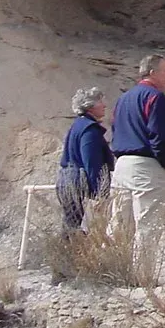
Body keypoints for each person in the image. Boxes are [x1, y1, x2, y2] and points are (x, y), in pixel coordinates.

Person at [109, 54, 165, 261]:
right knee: (147, 223)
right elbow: (159, 136)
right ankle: (142, 276)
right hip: (144, 165)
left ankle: (114, 269)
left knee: (119, 222)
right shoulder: (155, 98)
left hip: (121, 165)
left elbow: (115, 129)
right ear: (153, 72)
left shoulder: (123, 99)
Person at [56, 87, 113, 232]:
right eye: (100, 101)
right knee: (76, 230)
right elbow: (92, 163)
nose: (104, 105)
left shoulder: (77, 125)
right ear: (90, 106)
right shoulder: (89, 129)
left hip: (67, 180)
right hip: (77, 183)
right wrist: (99, 194)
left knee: (71, 226)